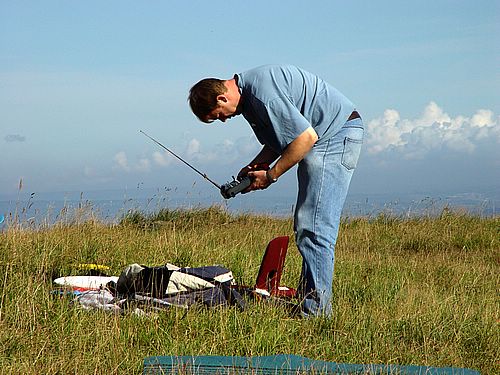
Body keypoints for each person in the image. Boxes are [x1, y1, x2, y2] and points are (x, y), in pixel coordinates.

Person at [188, 64, 364, 317]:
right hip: (327, 135)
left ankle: (317, 315)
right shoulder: (250, 96)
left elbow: (304, 138)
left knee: (315, 227)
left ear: (221, 97)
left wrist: (270, 176)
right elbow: (282, 139)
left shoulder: (262, 95)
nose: (224, 120)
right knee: (309, 225)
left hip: (335, 135)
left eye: (219, 115)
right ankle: (312, 302)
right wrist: (258, 163)